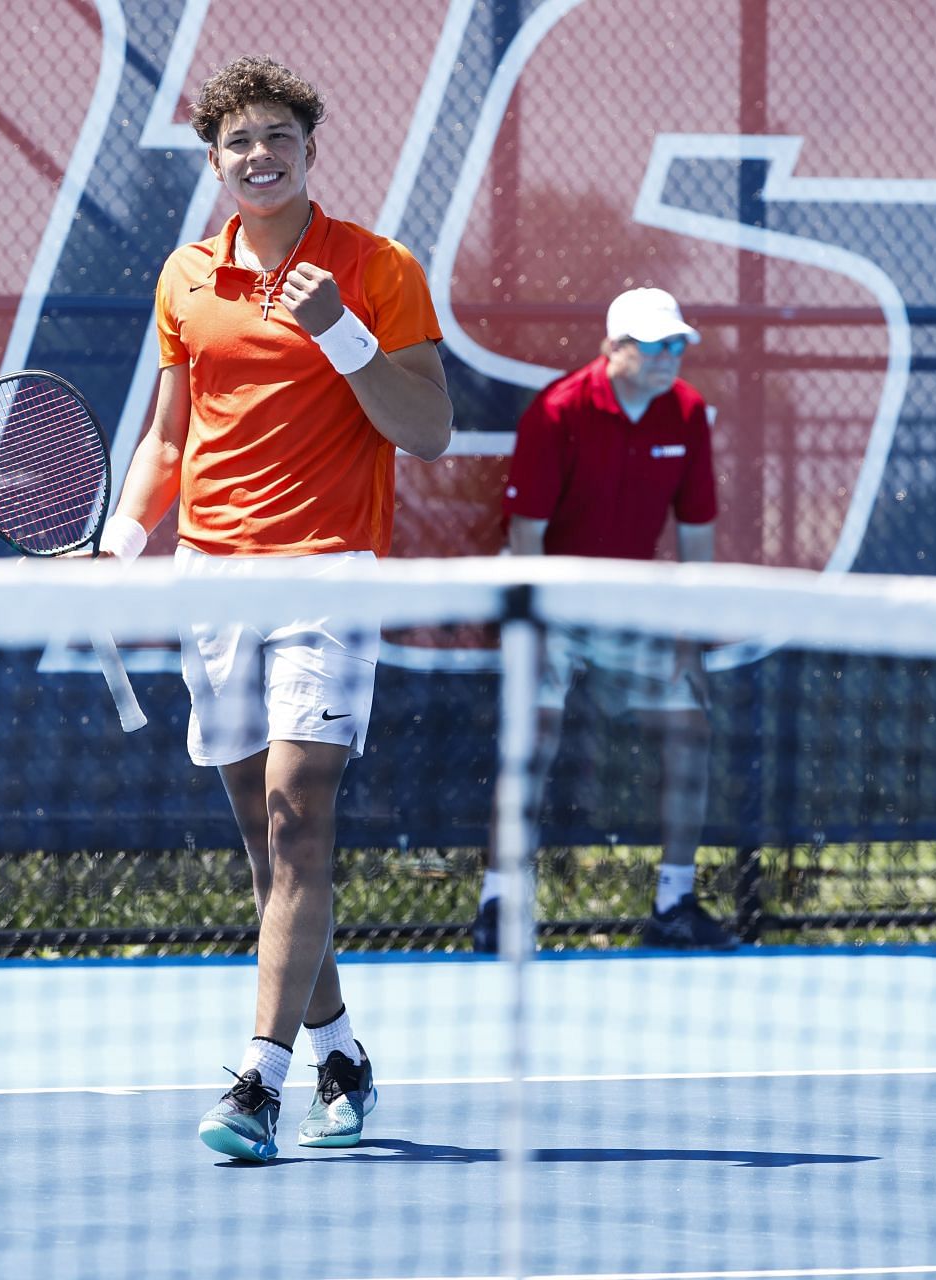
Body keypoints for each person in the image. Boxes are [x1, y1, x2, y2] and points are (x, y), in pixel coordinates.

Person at [98, 55, 451, 1162]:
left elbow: (428, 427)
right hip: (213, 573)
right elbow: (167, 437)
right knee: (268, 843)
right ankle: (340, 1046)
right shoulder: (185, 276)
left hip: (331, 571)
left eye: (279, 139)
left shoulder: (377, 268)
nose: (261, 155)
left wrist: (344, 331)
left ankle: (258, 1078)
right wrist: (124, 528)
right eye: (240, 141)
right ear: (216, 160)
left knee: (302, 814)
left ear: (309, 151)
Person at [475, 287, 736, 953]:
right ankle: (498, 903)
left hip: (632, 609)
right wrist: (534, 633)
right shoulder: (558, 412)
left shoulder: (688, 413)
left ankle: (675, 903)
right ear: (612, 350)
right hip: (552, 600)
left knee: (690, 732)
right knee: (531, 740)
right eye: (653, 345)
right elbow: (527, 535)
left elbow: (697, 540)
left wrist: (689, 635)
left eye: (676, 344)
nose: (668, 357)